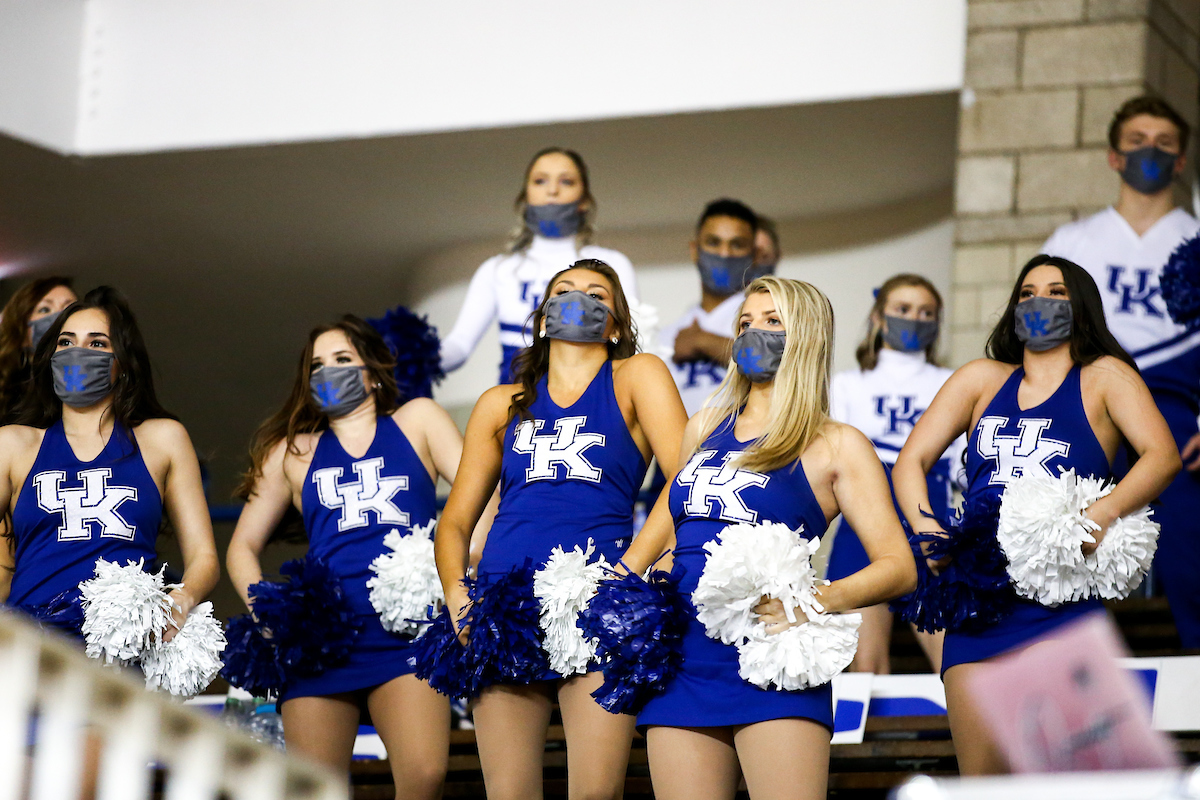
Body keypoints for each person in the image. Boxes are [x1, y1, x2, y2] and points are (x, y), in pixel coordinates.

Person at [629, 276, 917, 800]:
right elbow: (664, 536)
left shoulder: (838, 445)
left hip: (774, 658)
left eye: (771, 321)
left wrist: (811, 603)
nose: (751, 332)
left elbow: (899, 566)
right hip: (684, 658)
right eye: (745, 322)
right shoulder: (702, 428)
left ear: (805, 337)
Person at [892, 256, 1181, 774]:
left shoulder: (1105, 377)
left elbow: (1162, 456)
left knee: (1062, 780)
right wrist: (927, 529)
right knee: (982, 782)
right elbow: (910, 460)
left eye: (1056, 292)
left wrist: (1103, 512)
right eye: (1026, 292)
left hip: (1059, 595)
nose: (1038, 302)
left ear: (1082, 307)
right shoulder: (980, 379)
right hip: (977, 599)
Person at [435, 259, 687, 800]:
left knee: (594, 793)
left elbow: (685, 480)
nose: (580, 298)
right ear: (542, 318)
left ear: (616, 323)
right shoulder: (499, 403)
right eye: (564, 291)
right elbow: (454, 521)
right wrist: (459, 597)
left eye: (598, 293)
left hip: (598, 600)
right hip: (506, 604)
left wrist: (629, 571)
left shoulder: (639, 374)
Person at [226, 315, 468, 798]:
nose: (328, 371)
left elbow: (481, 497)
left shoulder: (417, 420)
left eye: (342, 359)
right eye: (317, 365)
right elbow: (241, 547)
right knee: (317, 790)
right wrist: (267, 611)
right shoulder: (293, 452)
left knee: (425, 776)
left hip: (408, 633)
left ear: (374, 371)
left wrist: (461, 575)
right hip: (323, 641)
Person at [1041, 95, 1200, 648]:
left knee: (1188, 546)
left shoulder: (1194, 237)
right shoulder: (1072, 242)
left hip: (1177, 404)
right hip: (1083, 398)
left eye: (1164, 144)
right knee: (1061, 534)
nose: (1149, 152)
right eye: (1136, 141)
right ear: (1113, 156)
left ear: (1182, 162)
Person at [0, 286, 220, 641]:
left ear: (124, 363)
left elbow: (204, 556)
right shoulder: (11, 444)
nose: (78, 353)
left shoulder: (163, 439)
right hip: (37, 651)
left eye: (97, 343)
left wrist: (182, 598)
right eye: (66, 342)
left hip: (127, 647)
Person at [827, 274, 961, 674]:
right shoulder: (847, 384)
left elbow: (961, 462)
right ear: (878, 317)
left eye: (926, 312)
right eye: (902, 310)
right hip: (864, 524)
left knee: (953, 659)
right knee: (863, 664)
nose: (914, 319)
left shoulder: (950, 381)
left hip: (929, 520)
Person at [439, 147, 639, 384]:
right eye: (540, 181)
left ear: (585, 200)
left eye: (566, 181)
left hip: (592, 389)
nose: (552, 190)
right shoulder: (497, 270)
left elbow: (634, 336)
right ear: (525, 197)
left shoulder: (611, 264)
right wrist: (411, 357)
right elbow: (460, 345)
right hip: (516, 398)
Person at [657, 199, 763, 418]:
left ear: (754, 256)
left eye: (737, 244)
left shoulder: (772, 321)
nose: (724, 254)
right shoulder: (665, 338)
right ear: (694, 250)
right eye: (714, 242)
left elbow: (787, 370)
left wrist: (704, 342)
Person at [0, 276, 77, 422]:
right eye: (45, 309)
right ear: (21, 330)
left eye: (69, 309)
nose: (60, 317)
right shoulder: (7, 395)